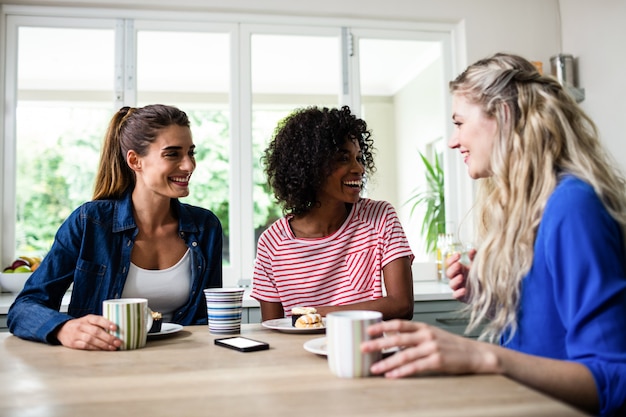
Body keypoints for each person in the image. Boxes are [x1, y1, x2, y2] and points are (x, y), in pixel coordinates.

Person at [361, 53, 626, 416]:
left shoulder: (572, 206)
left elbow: (613, 380)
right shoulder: (529, 206)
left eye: (459, 123)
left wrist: (482, 355)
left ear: (502, 115)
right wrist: (490, 294)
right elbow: (549, 331)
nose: (454, 141)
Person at [7, 104, 223, 350]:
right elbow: (24, 307)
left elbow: (209, 317)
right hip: (104, 363)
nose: (189, 165)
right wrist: (63, 328)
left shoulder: (206, 227)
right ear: (135, 160)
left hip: (185, 364)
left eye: (191, 153)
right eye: (172, 154)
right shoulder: (89, 222)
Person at [251, 105, 414, 322]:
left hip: (363, 352)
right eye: (343, 159)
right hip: (299, 354)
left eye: (359, 158)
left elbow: (402, 305)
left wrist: (318, 313)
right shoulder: (272, 243)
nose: (359, 169)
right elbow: (272, 328)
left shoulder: (379, 217)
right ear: (311, 166)